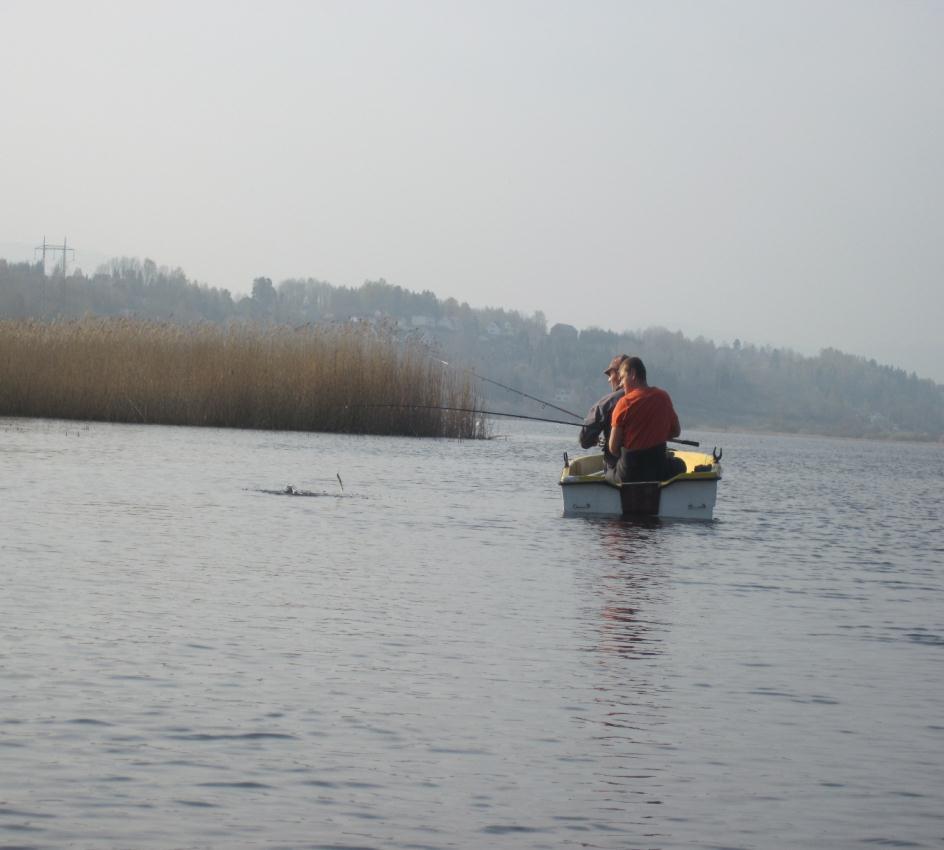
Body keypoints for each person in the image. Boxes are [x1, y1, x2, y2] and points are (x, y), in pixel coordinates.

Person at [606, 356, 684, 483]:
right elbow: (676, 432)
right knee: (681, 465)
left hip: (629, 474)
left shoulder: (624, 403)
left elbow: (613, 449)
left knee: (608, 470)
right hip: (659, 471)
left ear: (632, 374)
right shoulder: (663, 397)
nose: (620, 384)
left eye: (622, 378)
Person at [579, 355, 628, 471]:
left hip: (619, 470)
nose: (609, 380)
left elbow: (585, 440)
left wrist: (593, 439)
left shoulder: (607, 403)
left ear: (620, 375)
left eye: (610, 375)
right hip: (653, 468)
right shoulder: (654, 399)